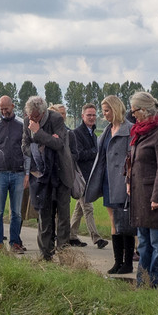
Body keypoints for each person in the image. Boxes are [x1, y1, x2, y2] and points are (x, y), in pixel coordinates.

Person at [126, 91, 158, 288]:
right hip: (140, 197)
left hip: (155, 199)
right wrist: (128, 179)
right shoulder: (140, 132)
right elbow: (133, 159)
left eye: (134, 110)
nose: (132, 115)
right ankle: (143, 284)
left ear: (144, 110)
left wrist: (157, 198)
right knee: (144, 245)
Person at [83, 94, 134, 274]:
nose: (104, 115)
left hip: (122, 181)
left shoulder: (130, 129)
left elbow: (132, 157)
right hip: (107, 181)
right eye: (103, 111)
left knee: (125, 222)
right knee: (114, 221)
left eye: (106, 111)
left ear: (115, 109)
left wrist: (129, 179)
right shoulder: (106, 131)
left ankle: (128, 263)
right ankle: (117, 261)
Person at [23, 95, 75, 260]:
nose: (32, 120)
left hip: (61, 174)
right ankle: (45, 255)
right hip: (42, 176)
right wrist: (41, 149)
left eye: (35, 117)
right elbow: (24, 145)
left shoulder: (56, 119)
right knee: (44, 216)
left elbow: (59, 145)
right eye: (30, 117)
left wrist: (38, 134)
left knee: (63, 217)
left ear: (43, 112)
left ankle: (64, 255)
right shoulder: (27, 122)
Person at [0, 95, 29, 253]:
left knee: (16, 212)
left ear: (13, 106)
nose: (4, 111)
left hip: (18, 173)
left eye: (6, 108)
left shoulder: (22, 125)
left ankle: (15, 242)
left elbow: (27, 151)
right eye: (1, 109)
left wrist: (27, 173)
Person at [69, 103, 107, 249]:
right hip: (81, 176)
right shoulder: (76, 133)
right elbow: (78, 154)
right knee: (88, 208)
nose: (92, 118)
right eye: (89, 115)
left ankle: (71, 235)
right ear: (82, 116)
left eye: (93, 115)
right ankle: (96, 238)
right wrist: (95, 151)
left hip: (91, 175)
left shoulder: (93, 132)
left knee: (80, 208)